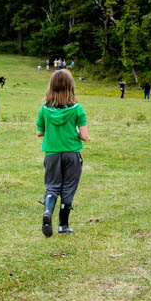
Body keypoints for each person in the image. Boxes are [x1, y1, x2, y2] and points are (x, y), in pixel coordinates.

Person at [36, 68, 89, 237]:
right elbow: (85, 136)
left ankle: (47, 212)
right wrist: (76, 134)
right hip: (71, 154)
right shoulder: (77, 109)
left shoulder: (44, 109)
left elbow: (39, 132)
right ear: (71, 87)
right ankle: (63, 225)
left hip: (51, 153)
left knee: (52, 186)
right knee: (68, 188)